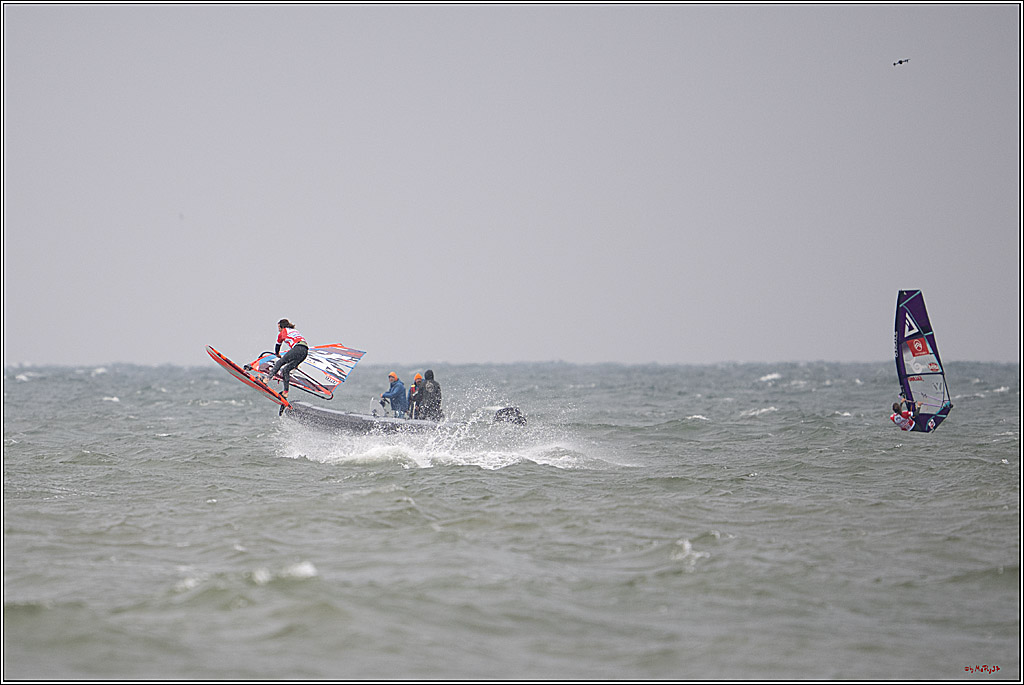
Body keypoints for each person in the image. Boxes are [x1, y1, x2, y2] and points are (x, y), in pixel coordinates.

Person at [265, 319, 308, 399]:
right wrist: (296, 363)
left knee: (279, 363)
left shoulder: (282, 332)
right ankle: (285, 392)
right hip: (304, 352)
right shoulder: (294, 331)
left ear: (282, 327)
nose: (278, 329)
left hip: (298, 348)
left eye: (279, 327)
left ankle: (266, 379)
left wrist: (277, 354)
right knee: (286, 370)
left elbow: (278, 345)